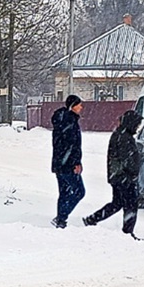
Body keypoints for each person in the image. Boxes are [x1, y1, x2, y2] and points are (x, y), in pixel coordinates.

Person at [82, 110, 144, 239]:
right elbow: (126, 160)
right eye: (137, 125)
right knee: (130, 205)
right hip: (124, 177)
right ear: (131, 123)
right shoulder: (124, 138)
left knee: (117, 204)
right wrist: (133, 171)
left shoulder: (121, 135)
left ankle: (92, 219)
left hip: (118, 177)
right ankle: (127, 232)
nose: (138, 128)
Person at [50, 94, 85, 227]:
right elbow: (73, 145)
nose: (81, 107)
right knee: (79, 191)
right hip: (68, 164)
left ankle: (60, 220)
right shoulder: (70, 122)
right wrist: (76, 162)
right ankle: (61, 217)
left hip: (59, 163)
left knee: (64, 192)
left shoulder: (60, 120)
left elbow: (59, 144)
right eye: (79, 104)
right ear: (73, 106)